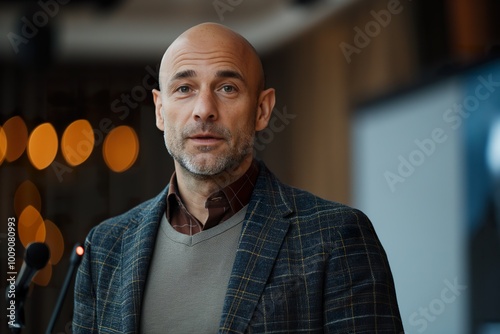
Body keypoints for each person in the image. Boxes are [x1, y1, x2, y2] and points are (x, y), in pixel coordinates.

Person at [72, 22, 404, 333]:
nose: (204, 108)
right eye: (184, 88)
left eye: (227, 88)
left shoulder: (336, 238)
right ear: (160, 110)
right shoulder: (105, 248)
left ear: (262, 109)